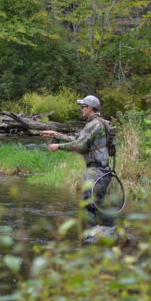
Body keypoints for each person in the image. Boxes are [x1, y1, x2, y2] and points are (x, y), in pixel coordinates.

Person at [40, 95, 115, 226]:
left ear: (90, 107)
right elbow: (79, 140)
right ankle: (107, 235)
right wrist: (56, 134)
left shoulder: (94, 125)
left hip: (96, 172)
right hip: (102, 171)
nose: (81, 109)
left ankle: (92, 236)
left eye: (82, 107)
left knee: (90, 205)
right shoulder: (99, 123)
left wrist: (58, 146)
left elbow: (80, 146)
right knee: (98, 205)